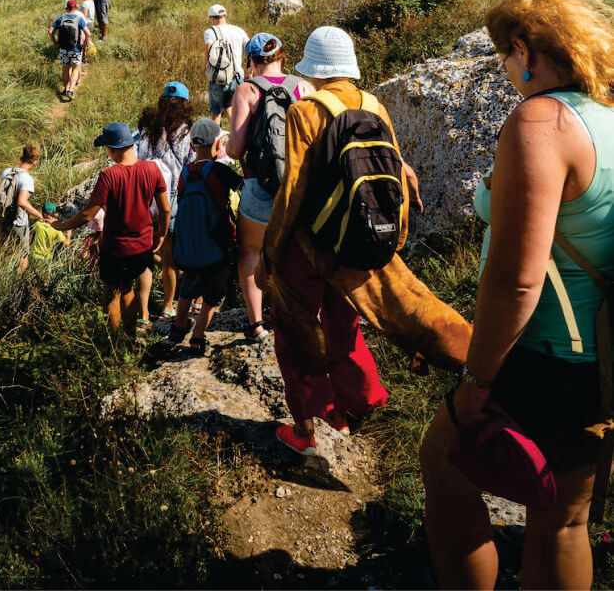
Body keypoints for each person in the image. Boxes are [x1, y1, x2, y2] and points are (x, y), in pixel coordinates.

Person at [419, 0, 614, 591]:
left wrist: (477, 382)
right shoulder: (605, 121)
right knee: (563, 521)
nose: (505, 69)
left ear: (524, 50)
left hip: (538, 359)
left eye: (504, 55)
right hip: (602, 363)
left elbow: (515, 279)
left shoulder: (542, 119)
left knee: (443, 465)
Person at [260, 26, 471, 455]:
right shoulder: (375, 104)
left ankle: (311, 427)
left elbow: (294, 190)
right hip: (359, 239)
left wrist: (272, 248)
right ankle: (363, 400)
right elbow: (393, 174)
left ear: (314, 70)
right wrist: (395, 239)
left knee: (295, 326)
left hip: (311, 243)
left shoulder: (306, 111)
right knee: (345, 319)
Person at [227, 33, 314, 341]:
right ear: (283, 57)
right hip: (300, 188)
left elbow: (235, 149)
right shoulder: (304, 88)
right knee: (300, 252)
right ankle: (301, 316)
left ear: (250, 61)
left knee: (251, 251)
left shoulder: (247, 90)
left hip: (259, 185)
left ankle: (257, 325)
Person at [50, 123, 170, 333]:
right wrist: (161, 233)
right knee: (127, 288)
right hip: (142, 247)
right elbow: (165, 210)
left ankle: (112, 342)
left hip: (115, 249)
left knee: (110, 294)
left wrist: (60, 225)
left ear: (111, 149)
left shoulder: (109, 176)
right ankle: (131, 336)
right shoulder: (152, 169)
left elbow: (87, 214)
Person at [169, 119, 243, 355]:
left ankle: (178, 326)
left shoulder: (185, 172)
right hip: (217, 243)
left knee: (188, 287)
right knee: (214, 294)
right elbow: (243, 185)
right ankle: (198, 335)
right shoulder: (220, 170)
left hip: (191, 244)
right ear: (217, 144)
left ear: (192, 145)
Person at [136, 81, 195, 318]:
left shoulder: (148, 128)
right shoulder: (187, 131)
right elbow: (190, 167)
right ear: (185, 103)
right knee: (170, 257)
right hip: (173, 198)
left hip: (146, 196)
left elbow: (139, 158)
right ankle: (168, 305)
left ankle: (143, 311)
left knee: (145, 254)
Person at [0, 144, 46, 268]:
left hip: (1, 217)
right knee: (23, 255)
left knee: (1, 249)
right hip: (18, 222)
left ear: (21, 158)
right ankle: (19, 283)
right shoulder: (27, 179)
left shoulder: (7, 172)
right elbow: (22, 202)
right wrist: (39, 215)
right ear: (34, 162)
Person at [203, 3, 248, 123]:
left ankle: (215, 138)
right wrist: (250, 72)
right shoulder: (239, 31)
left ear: (211, 18)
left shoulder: (210, 32)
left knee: (216, 112)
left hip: (219, 77)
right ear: (225, 16)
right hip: (238, 76)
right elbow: (250, 50)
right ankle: (239, 137)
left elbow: (209, 52)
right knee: (232, 108)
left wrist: (206, 70)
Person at [49, 0, 90, 100]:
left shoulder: (60, 18)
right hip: (75, 49)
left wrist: (55, 43)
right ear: (75, 7)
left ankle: (65, 88)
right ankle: (70, 90)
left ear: (66, 8)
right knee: (76, 69)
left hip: (63, 49)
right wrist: (83, 45)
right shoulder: (79, 19)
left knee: (65, 68)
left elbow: (50, 32)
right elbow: (88, 34)